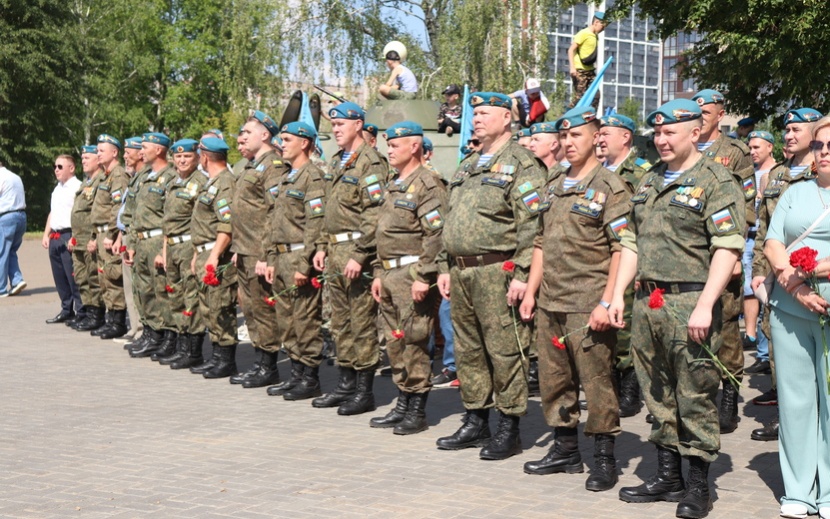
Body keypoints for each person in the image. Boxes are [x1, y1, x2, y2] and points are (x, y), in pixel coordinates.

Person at [609, 99, 745, 519]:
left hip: (691, 302)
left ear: (694, 132)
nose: (662, 139)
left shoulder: (716, 180)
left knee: (695, 394)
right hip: (648, 304)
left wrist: (705, 305)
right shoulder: (649, 181)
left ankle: (699, 486)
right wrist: (616, 294)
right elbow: (630, 242)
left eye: (671, 132)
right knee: (657, 391)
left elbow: (727, 246)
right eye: (658, 132)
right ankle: (668, 476)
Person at [519, 106, 630, 491]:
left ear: (596, 139)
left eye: (576, 136)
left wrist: (608, 300)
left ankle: (604, 457)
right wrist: (531, 292)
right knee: (553, 380)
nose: (568, 143)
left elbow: (621, 248)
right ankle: (565, 449)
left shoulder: (610, 187)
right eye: (563, 137)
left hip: (587, 302)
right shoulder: (552, 185)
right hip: (550, 300)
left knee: (597, 381)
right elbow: (539, 242)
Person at [435, 91, 546, 460]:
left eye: (484, 113)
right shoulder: (468, 164)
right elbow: (450, 220)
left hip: (498, 270)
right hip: (462, 271)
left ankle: (509, 426)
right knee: (468, 351)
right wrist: (443, 265)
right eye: (474, 113)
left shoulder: (522, 163)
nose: (477, 118)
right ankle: (475, 418)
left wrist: (524, 273)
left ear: (506, 119)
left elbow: (532, 225)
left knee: (504, 350)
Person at [763, 115, 830, 519]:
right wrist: (796, 285)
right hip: (791, 310)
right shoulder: (795, 191)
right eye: (821, 146)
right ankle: (800, 490)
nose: (825, 153)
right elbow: (773, 241)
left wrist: (821, 270)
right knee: (796, 401)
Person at [369, 121, 447, 435]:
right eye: (388, 145)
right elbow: (383, 232)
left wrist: (424, 276)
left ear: (414, 147)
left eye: (395, 145)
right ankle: (402, 400)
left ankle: (417, 409)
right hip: (388, 272)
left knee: (414, 341)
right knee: (394, 342)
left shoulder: (428, 183)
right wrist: (377, 271)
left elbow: (436, 234)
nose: (389, 150)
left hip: (412, 273)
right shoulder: (394, 182)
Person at [750, 108, 822, 442]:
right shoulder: (774, 176)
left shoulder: (818, 171)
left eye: (796, 129)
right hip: (778, 277)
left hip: (816, 278)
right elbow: (765, 229)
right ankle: (786, 417)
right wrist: (758, 273)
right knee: (781, 350)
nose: (789, 135)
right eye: (786, 130)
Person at [311, 101, 386, 415]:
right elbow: (327, 209)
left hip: (358, 252)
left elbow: (375, 213)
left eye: (341, 124)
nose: (336, 130)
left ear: (358, 124)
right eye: (333, 125)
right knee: (340, 323)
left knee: (361, 322)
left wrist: (360, 253)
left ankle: (364, 391)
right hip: (335, 251)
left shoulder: (371, 162)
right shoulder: (336, 161)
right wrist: (321, 246)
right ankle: (345, 383)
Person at [691, 88, 756, 434]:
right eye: (695, 113)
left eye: (705, 113)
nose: (699, 119)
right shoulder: (684, 150)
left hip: (723, 249)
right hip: (690, 253)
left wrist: (736, 252)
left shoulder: (735, 152)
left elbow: (746, 206)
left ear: (720, 114)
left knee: (727, 325)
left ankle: (729, 393)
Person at [263, 121, 327, 400]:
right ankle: (296, 374)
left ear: (304, 143)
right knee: (286, 321)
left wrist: (305, 264)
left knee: (305, 321)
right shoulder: (287, 176)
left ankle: (310, 378)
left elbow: (316, 224)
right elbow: (274, 222)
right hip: (280, 256)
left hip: (300, 256)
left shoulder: (312, 177)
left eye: (287, 139)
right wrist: (269, 258)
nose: (282, 144)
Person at [597, 114, 651, 418]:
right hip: (598, 257)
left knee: (625, 322)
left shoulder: (641, 173)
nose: (601, 139)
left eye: (607, 133)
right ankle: (611, 380)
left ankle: (631, 382)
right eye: (599, 134)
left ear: (625, 137)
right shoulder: (595, 172)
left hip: (629, 254)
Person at [231, 110, 287, 386]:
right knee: (251, 309)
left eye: (246, 132)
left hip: (259, 251)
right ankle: (259, 361)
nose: (241, 137)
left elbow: (275, 212)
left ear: (264, 135)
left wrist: (267, 254)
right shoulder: (251, 166)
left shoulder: (274, 165)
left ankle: (269, 366)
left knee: (263, 310)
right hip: (244, 249)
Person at [187, 137, 238, 377]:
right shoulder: (212, 183)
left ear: (205, 157)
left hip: (217, 254)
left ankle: (226, 360)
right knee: (209, 308)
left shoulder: (225, 183)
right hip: (206, 250)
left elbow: (226, 225)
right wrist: (199, 253)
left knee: (220, 308)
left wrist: (214, 255)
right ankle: (217, 355)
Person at [156, 139, 207, 369]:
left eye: (187, 156)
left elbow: (201, 222)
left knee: (191, 298)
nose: (182, 160)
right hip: (172, 246)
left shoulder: (201, 182)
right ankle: (181, 345)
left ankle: (194, 351)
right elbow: (168, 223)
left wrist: (197, 252)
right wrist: (165, 252)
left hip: (189, 246)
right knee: (175, 296)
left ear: (197, 157)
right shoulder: (173, 183)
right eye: (178, 157)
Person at [127, 133, 177, 357]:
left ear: (158, 150)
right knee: (143, 290)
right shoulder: (143, 176)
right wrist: (130, 243)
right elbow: (132, 212)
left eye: (145, 147)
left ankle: (167, 336)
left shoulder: (171, 176)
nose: (140, 152)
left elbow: (171, 215)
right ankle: (150, 332)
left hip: (158, 240)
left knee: (161, 292)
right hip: (140, 240)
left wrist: (164, 249)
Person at [90, 134, 129, 337]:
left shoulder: (118, 175)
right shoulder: (105, 175)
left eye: (101, 150)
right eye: (97, 150)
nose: (98, 154)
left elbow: (118, 207)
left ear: (114, 153)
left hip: (109, 233)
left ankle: (118, 322)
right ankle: (111, 317)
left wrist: (113, 234)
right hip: (101, 232)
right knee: (104, 277)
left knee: (113, 277)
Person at [743, 130, 775, 376]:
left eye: (757, 147)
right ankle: (758, 345)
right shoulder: (747, 175)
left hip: (767, 243)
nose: (752, 151)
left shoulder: (776, 175)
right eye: (750, 147)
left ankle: (765, 354)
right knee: (750, 291)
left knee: (766, 298)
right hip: (748, 241)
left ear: (770, 147)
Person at [68, 146, 105, 331]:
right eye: (81, 158)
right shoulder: (87, 183)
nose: (83, 161)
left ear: (98, 160)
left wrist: (94, 238)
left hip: (90, 240)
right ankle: (88, 312)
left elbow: (99, 213)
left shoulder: (101, 181)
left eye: (87, 157)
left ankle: (97, 315)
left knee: (93, 279)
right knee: (82, 278)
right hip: (79, 240)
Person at [43, 154, 82, 323]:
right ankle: (67, 309)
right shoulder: (57, 188)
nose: (56, 170)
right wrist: (46, 234)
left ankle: (81, 311)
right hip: (56, 236)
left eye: (60, 167)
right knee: (59, 276)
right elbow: (53, 212)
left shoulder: (78, 187)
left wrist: (75, 237)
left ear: (71, 168)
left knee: (73, 276)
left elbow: (81, 215)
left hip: (69, 234)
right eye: (55, 167)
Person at [116, 136, 147, 344]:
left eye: (129, 151)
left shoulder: (145, 178)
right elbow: (126, 212)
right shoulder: (134, 177)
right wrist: (120, 235)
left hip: (138, 237)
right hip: (127, 234)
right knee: (129, 286)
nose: (125, 156)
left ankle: (143, 330)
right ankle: (135, 327)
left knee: (139, 286)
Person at [568, 12, 608, 109]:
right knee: (580, 97)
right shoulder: (584, 33)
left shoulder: (595, 35)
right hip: (580, 70)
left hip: (590, 71)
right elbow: (571, 50)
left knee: (596, 95)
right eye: (602, 25)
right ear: (596, 22)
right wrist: (572, 68)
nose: (603, 28)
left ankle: (591, 118)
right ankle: (567, 115)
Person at [0, 162, 27, 298]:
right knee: (10, 251)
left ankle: (1, 288)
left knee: (1, 252)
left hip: (6, 217)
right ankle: (17, 281)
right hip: (21, 217)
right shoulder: (15, 176)